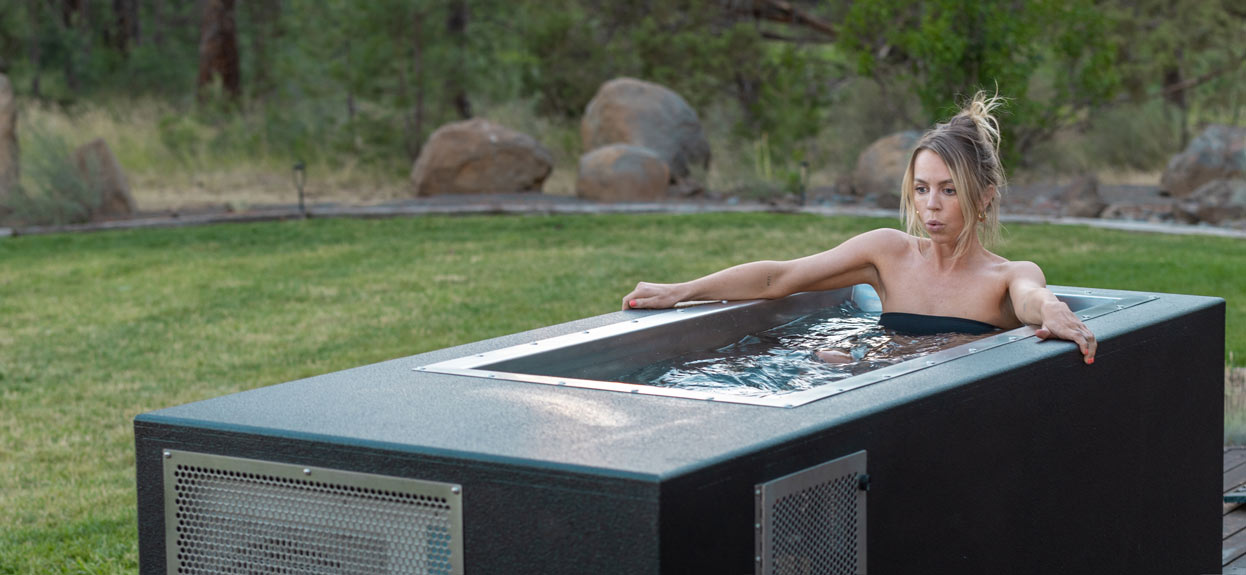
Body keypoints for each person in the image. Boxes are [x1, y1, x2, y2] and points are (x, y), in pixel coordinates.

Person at [621, 92, 1097, 365]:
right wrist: (680, 291)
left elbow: (1033, 297)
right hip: (874, 394)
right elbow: (780, 278)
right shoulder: (887, 252)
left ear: (984, 197)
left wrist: (1051, 309)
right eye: (922, 188)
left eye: (949, 191)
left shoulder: (1007, 276)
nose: (932, 206)